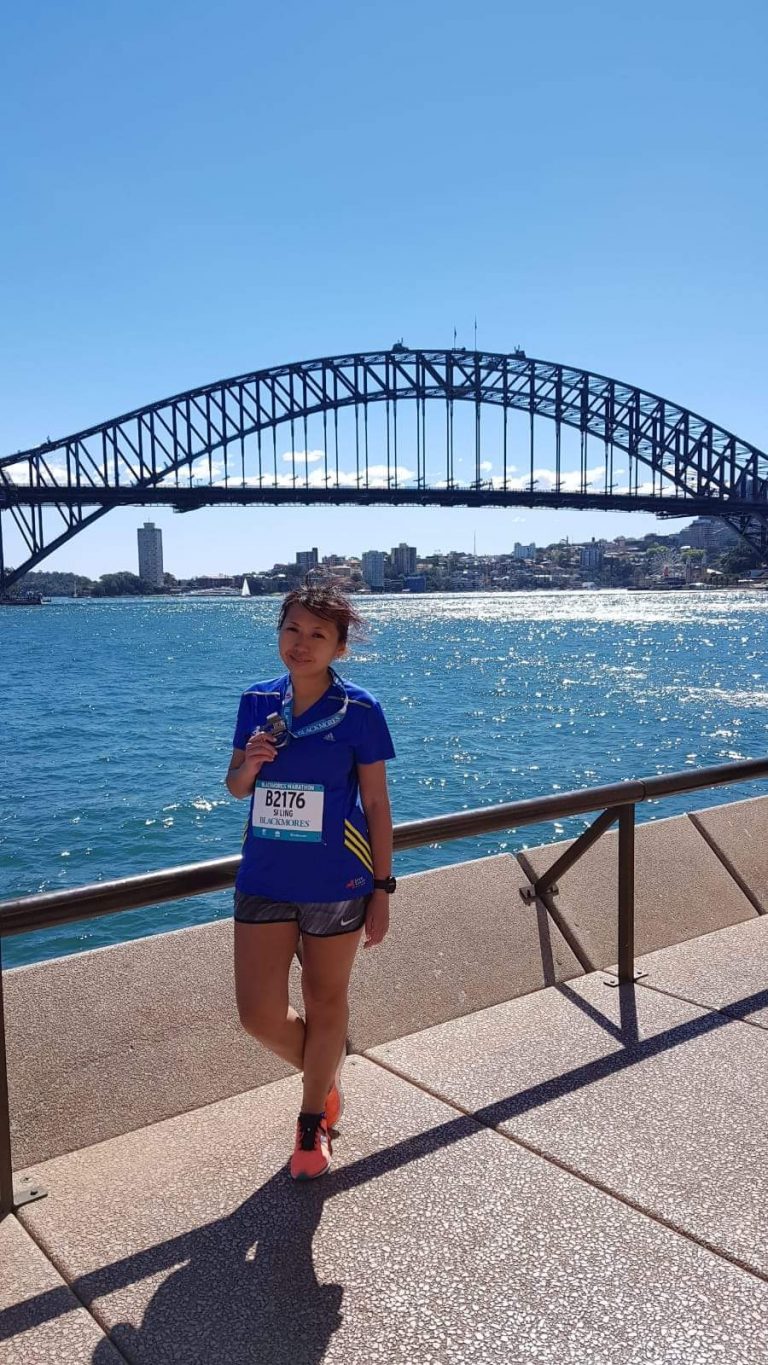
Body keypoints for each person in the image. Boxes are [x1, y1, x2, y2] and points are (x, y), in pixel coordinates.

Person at [226, 578, 396, 1180]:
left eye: (318, 634)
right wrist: (250, 763)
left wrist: (383, 888)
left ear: (339, 647)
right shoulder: (256, 701)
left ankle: (310, 1122)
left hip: (337, 880)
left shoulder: (361, 710)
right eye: (292, 629)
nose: (301, 644)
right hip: (265, 875)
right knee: (258, 1014)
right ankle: (325, 1079)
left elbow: (376, 804)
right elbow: (235, 788)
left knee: (326, 1001)